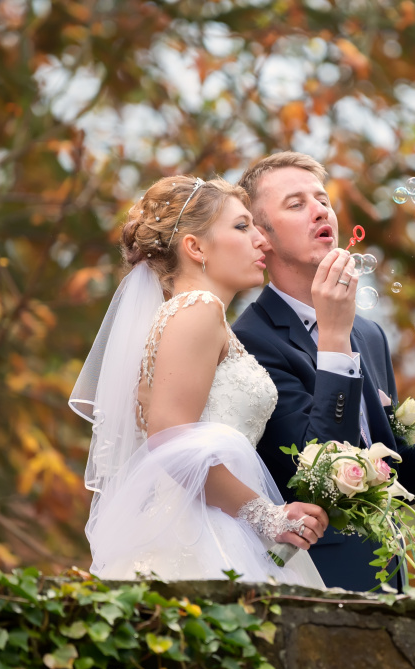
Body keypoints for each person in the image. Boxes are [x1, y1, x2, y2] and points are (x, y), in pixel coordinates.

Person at [232, 152, 415, 591]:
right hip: (312, 582)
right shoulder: (250, 340)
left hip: (387, 580)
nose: (320, 210)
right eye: (296, 204)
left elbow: (381, 481)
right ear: (261, 237)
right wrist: (334, 340)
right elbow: (317, 478)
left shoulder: (369, 333)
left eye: (323, 200)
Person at [69, 175, 327, 587]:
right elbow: (170, 439)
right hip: (202, 536)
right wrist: (267, 516)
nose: (261, 240)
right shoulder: (198, 309)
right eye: (242, 226)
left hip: (206, 522)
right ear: (196, 247)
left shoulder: (192, 315)